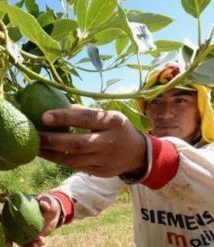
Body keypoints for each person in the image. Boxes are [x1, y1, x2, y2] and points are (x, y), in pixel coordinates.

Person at [23, 64, 214, 247]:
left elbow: (206, 176)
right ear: (144, 109)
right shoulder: (136, 160)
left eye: (180, 100)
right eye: (155, 101)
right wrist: (59, 201)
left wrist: (143, 154)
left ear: (201, 109)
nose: (165, 112)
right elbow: (94, 184)